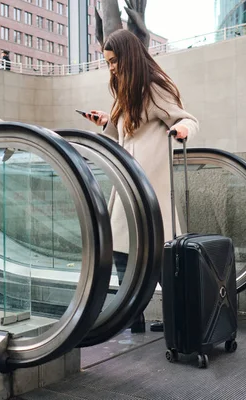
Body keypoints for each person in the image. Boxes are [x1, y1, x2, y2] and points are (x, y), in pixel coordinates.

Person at [82, 29, 199, 333]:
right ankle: (132, 318)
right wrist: (106, 122)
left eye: (114, 61)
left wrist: (182, 131)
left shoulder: (154, 88)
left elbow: (187, 118)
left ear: (129, 57)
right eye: (107, 63)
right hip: (126, 183)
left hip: (150, 187)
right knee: (121, 252)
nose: (111, 68)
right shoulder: (126, 91)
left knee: (158, 256)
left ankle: (180, 318)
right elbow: (125, 135)